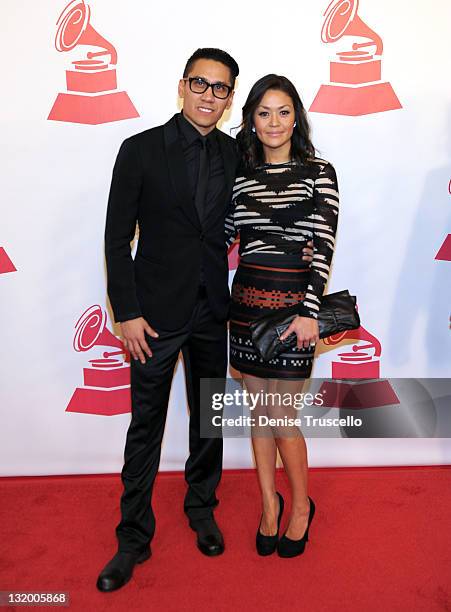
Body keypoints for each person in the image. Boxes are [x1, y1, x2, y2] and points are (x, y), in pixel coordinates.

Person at [98, 47, 316, 591]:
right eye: (201, 83)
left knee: (208, 422)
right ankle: (132, 539)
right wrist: (126, 311)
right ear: (182, 86)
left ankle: (202, 510)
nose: (209, 95)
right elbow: (115, 237)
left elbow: (265, 208)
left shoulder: (234, 154)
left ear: (229, 98)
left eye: (221, 89)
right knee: (145, 426)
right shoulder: (140, 149)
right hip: (152, 317)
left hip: (214, 314)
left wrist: (300, 256)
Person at [225, 74, 339, 557]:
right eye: (264, 112)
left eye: (284, 111)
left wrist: (311, 312)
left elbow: (325, 244)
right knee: (258, 412)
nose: (274, 122)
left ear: (297, 117)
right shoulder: (239, 175)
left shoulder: (319, 171)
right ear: (251, 120)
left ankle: (299, 507)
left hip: (295, 308)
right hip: (246, 304)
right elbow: (223, 234)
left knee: (282, 415)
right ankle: (269, 506)